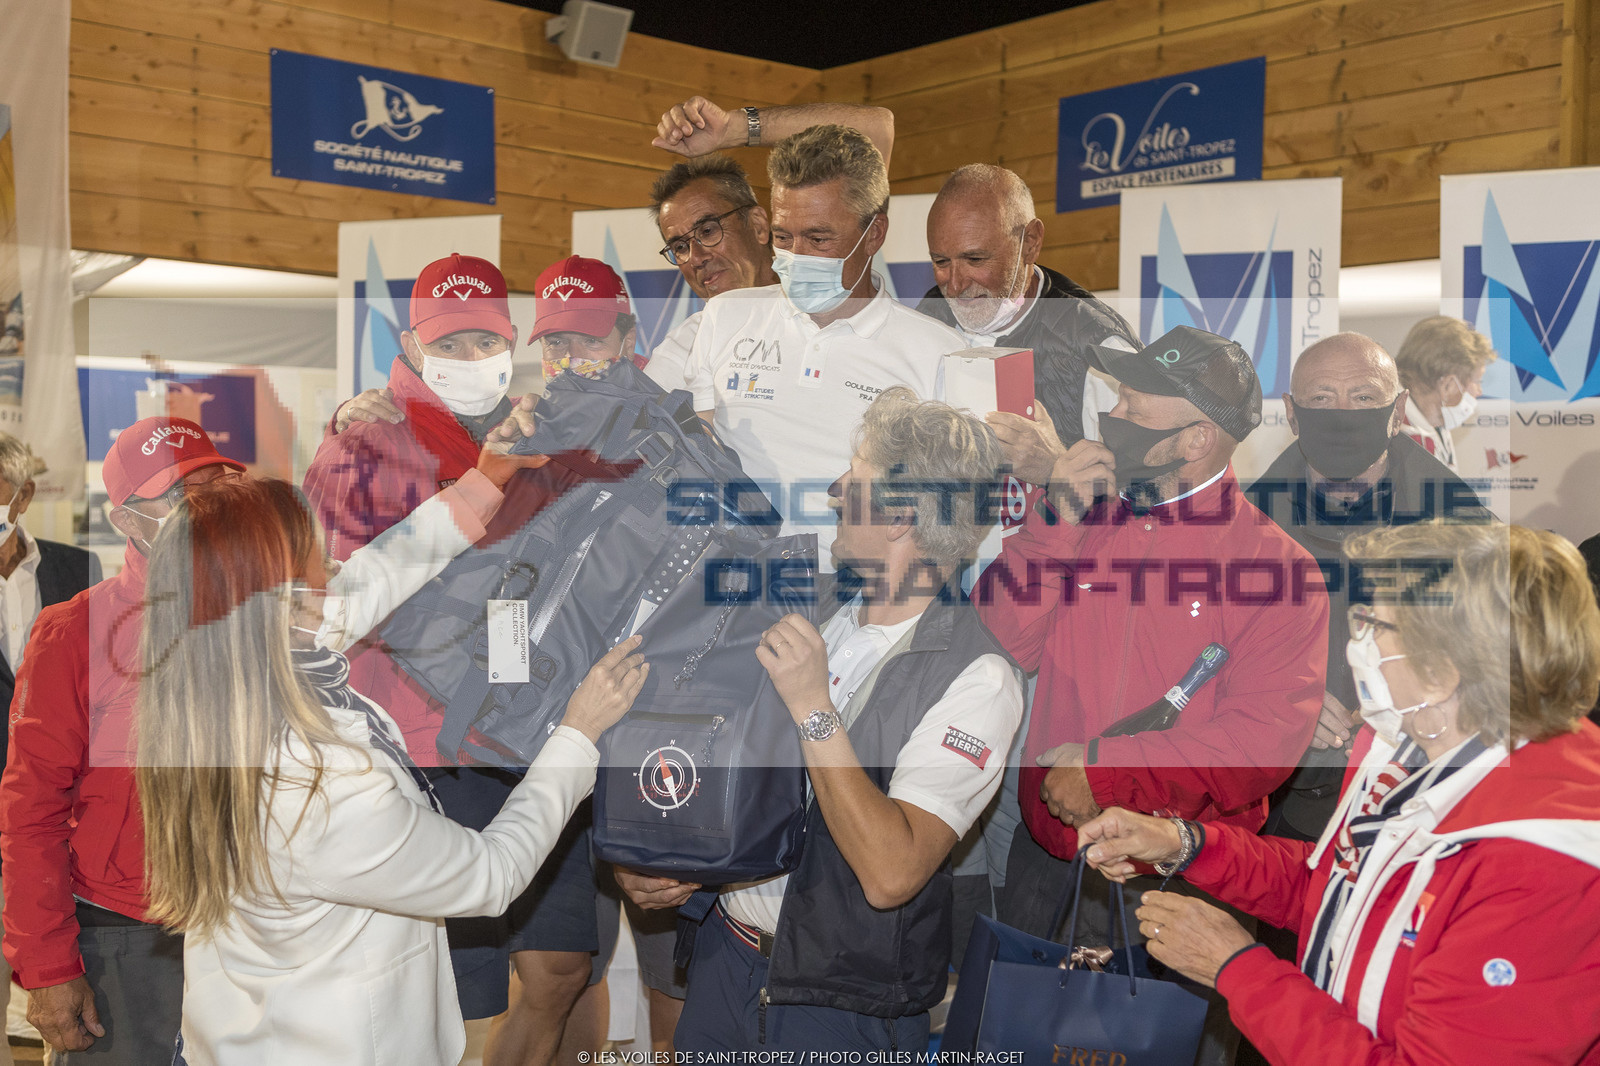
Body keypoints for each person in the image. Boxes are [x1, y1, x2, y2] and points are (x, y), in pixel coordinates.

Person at [136, 476, 646, 1066]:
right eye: (317, 562)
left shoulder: (215, 687)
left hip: (238, 1033)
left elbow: (369, 580)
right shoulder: (317, 782)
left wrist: (483, 483)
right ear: (283, 602)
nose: (335, 570)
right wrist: (578, 735)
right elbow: (492, 874)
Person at [1079, 521, 1600, 1066]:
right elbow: (1341, 886)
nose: (1360, 642)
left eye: (1378, 624)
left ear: (1442, 674)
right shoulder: (1411, 744)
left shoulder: (1544, 864)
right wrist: (1186, 844)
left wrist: (1236, 967)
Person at [621, 387, 1023, 1052]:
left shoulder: (979, 677)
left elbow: (891, 873)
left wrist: (814, 709)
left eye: (854, 479)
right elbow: (733, 776)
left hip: (842, 1005)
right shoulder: (811, 604)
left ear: (899, 516)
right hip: (725, 960)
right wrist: (664, 863)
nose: (835, 490)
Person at [303, 253, 626, 1066]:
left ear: (511, 343)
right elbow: (344, 602)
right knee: (456, 988)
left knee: (562, 967)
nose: (470, 357)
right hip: (427, 745)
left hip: (529, 730)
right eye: (449, 343)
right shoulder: (363, 445)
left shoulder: (537, 430)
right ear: (412, 345)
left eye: (485, 340)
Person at [975, 325, 1327, 1065]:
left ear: (1197, 438)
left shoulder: (1277, 568)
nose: (1113, 415)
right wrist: (1054, 520)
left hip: (1183, 879)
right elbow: (1001, 642)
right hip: (1051, 858)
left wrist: (1105, 773)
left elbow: (1259, 745)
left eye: (1135, 405)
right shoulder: (1084, 513)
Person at [0, 417, 243, 1063]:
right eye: (180, 495)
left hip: (251, 930)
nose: (205, 509)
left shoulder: (268, 616)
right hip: (126, 935)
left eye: (216, 487)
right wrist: (48, 967)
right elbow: (30, 813)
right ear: (128, 521)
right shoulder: (73, 631)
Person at [644, 123, 968, 561]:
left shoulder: (940, 352)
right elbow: (699, 458)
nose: (796, 256)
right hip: (729, 578)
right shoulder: (725, 316)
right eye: (783, 237)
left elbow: (950, 512)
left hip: (853, 587)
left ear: (874, 234)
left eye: (818, 239)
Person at [1248, 333, 1492, 844]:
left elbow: (1503, 665)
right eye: (1321, 398)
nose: (1342, 415)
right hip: (1277, 806)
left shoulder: (1463, 529)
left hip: (1420, 803)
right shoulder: (1242, 528)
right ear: (1291, 414)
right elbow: (1199, 655)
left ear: (1397, 410)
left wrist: (1410, 697)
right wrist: (1277, 697)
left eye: (1363, 397)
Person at [0, 434, 101, 1066]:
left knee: (58, 993)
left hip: (54, 820)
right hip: (16, 809)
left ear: (23, 495)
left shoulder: (77, 568)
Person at [916, 164, 1137, 445]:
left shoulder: (1099, 347)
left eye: (975, 259)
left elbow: (1141, 470)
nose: (956, 286)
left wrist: (1053, 464)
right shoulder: (928, 315)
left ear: (1030, 243)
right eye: (941, 262)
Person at [1392, 315, 1498, 473]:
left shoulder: (1435, 427)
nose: (1479, 391)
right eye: (1477, 382)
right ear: (1448, 385)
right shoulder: (1395, 437)